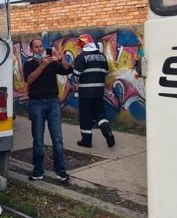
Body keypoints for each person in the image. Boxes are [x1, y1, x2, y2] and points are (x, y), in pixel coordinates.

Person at [23, 38, 74, 182]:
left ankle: (61, 171)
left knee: (57, 139)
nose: (39, 49)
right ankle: (38, 171)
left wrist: (60, 59)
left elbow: (67, 70)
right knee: (38, 139)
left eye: (41, 46)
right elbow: (29, 80)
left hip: (53, 103)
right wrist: (42, 66)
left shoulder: (53, 63)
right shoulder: (29, 64)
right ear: (32, 50)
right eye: (36, 47)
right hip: (36, 103)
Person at [73, 33, 115, 148]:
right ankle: (108, 132)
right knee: (100, 113)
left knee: (85, 115)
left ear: (83, 44)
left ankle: (86, 141)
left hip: (85, 92)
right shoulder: (102, 56)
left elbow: (76, 73)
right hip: (98, 91)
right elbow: (105, 72)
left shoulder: (81, 57)